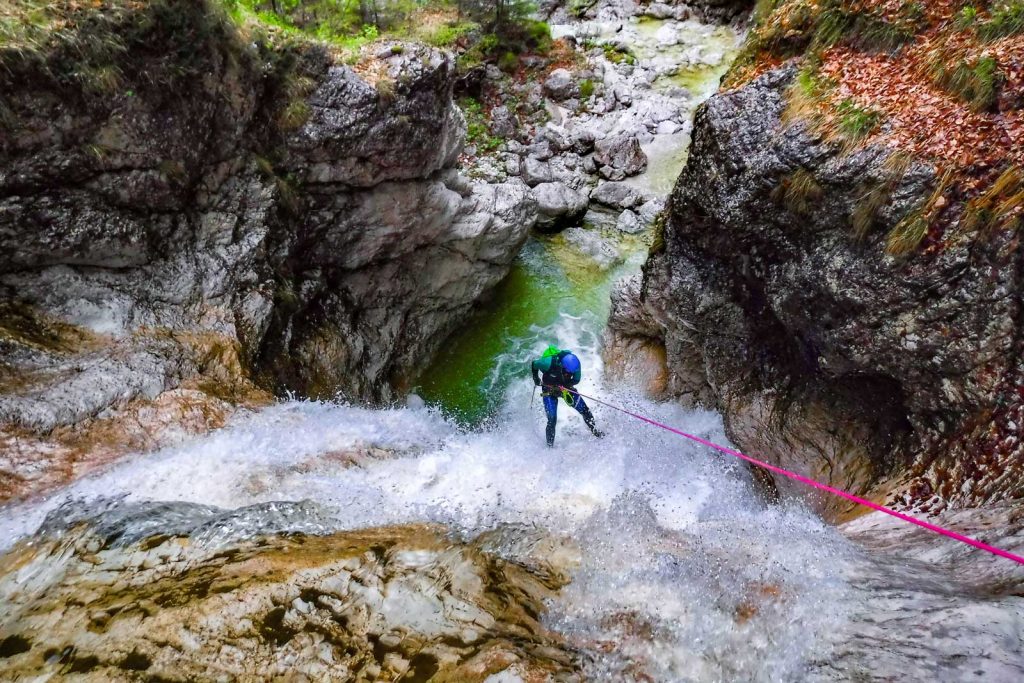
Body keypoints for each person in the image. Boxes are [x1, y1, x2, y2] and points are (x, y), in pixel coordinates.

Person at [530, 346, 603, 447]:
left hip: (565, 388)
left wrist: (565, 386)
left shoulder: (575, 364)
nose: (569, 373)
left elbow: (576, 380)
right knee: (552, 419)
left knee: (585, 410)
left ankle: (595, 431)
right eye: (567, 372)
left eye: (571, 372)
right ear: (561, 365)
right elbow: (534, 364)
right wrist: (536, 379)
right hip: (549, 389)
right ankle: (549, 447)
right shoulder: (547, 362)